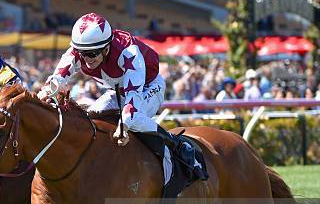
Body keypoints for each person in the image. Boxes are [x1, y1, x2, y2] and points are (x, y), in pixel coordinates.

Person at [38, 12, 206, 181]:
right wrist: (42, 95)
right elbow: (57, 79)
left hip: (148, 87)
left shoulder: (129, 53)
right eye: (82, 52)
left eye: (92, 54)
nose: (86, 59)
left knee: (133, 121)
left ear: (106, 48)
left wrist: (124, 126)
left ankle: (178, 146)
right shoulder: (80, 50)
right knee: (91, 117)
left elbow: (133, 98)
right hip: (118, 91)